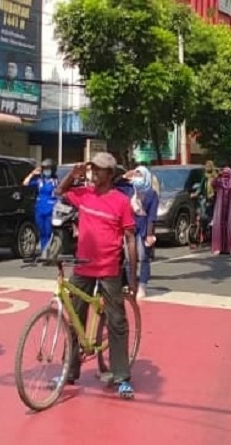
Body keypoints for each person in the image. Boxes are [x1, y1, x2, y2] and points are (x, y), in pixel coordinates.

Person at [55, 152, 138, 399]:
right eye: (93, 169)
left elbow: (130, 238)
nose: (94, 173)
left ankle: (122, 376)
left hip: (109, 268)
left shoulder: (121, 201)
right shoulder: (84, 194)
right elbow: (60, 192)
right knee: (73, 318)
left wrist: (133, 275)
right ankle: (70, 369)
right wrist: (73, 174)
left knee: (116, 322)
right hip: (82, 267)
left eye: (99, 169)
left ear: (110, 174)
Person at [123, 166, 158, 300]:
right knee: (128, 258)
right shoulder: (129, 189)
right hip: (129, 227)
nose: (136, 178)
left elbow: (151, 216)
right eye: (135, 175)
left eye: (139, 175)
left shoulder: (151, 193)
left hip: (143, 227)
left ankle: (142, 285)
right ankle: (132, 284)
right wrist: (126, 175)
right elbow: (115, 183)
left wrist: (149, 234)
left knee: (143, 257)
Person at [23, 159, 58, 256]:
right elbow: (25, 183)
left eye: (48, 169)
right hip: (39, 209)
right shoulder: (39, 181)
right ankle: (44, 251)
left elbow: (60, 193)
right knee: (42, 232)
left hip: (50, 209)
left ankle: (49, 252)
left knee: (48, 231)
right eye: (45, 169)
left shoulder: (55, 182)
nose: (47, 171)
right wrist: (32, 173)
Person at [211, 167, 231, 255]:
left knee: (229, 226)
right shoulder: (219, 181)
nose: (225, 176)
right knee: (219, 225)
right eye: (224, 174)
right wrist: (217, 176)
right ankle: (218, 247)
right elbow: (212, 184)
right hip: (220, 206)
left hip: (230, 206)